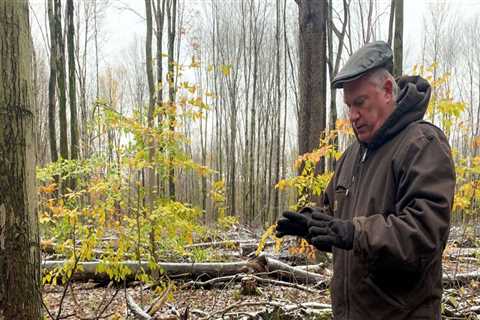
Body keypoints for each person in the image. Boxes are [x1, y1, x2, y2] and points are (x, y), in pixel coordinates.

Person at [275, 41, 455, 319]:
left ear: (386, 90)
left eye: (360, 103)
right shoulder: (351, 156)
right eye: (349, 106)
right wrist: (313, 224)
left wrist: (355, 233)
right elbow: (335, 218)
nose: (353, 116)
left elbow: (424, 234)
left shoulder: (421, 143)